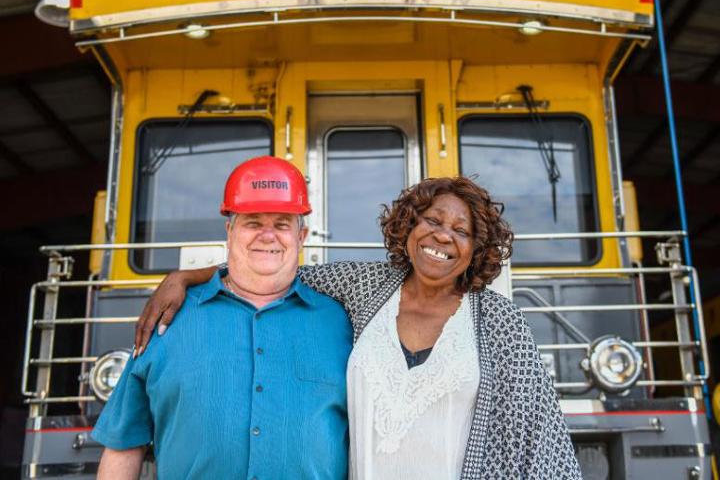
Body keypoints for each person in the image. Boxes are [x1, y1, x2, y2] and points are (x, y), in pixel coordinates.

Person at [136, 174, 582, 479]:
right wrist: (188, 278)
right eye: (432, 220)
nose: (443, 236)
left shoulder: (499, 321)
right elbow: (275, 270)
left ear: (476, 248)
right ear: (409, 226)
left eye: (461, 231)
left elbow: (542, 441)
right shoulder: (366, 287)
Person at [93, 156, 352, 479]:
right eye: (253, 222)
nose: (268, 235)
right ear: (229, 231)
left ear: (301, 237)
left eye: (282, 224)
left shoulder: (342, 322)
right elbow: (123, 443)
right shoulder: (168, 318)